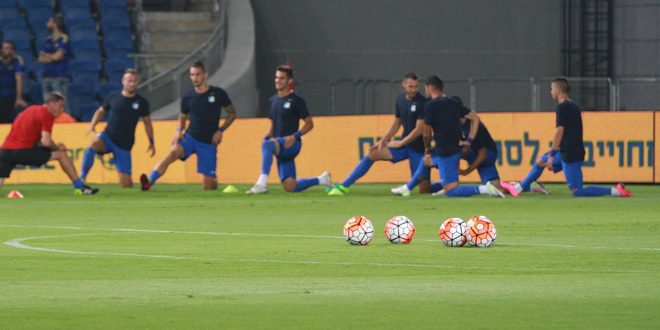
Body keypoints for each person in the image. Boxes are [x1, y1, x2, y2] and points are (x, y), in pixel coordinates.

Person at [500, 77, 632, 197]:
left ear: (558, 90)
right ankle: (519, 188)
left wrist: (552, 154)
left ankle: (617, 191)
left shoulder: (562, 107)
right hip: (568, 151)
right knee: (541, 161)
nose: (551, 92)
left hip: (570, 154)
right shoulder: (573, 105)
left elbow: (559, 131)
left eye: (552, 89)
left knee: (578, 191)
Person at [327, 73, 431, 196]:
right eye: (410, 86)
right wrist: (383, 140)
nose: (413, 89)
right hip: (403, 146)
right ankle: (344, 186)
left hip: (418, 149)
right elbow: (397, 123)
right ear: (403, 85)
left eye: (416, 87)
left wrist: (400, 143)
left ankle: (445, 186)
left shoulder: (422, 102)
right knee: (373, 152)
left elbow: (419, 129)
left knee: (425, 190)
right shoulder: (400, 99)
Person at [140, 61, 236, 190]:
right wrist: (178, 130)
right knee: (172, 152)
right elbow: (182, 116)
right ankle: (149, 181)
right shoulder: (188, 96)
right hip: (190, 137)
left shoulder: (218, 93)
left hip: (208, 142)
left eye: (197, 74)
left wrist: (220, 130)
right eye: (192, 75)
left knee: (208, 185)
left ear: (205, 75)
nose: (194, 78)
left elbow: (232, 114)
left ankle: (213, 179)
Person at [246, 65, 331, 194]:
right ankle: (322, 180)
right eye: (276, 77)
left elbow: (309, 123)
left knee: (267, 145)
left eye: (282, 78)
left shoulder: (296, 101)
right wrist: (268, 137)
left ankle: (262, 183)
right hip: (279, 144)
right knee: (290, 186)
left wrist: (295, 136)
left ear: (289, 81)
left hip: (291, 144)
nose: (278, 80)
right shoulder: (273, 100)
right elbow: (274, 123)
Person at [421, 75, 504, 198]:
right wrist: (469, 141)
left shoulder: (430, 106)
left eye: (426, 88)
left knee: (451, 191)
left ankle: (484, 189)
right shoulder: (454, 103)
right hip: (457, 150)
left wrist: (427, 148)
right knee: (442, 176)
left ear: (430, 87)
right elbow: (476, 118)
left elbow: (426, 133)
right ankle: (438, 185)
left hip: (445, 151)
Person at [0, 92, 98, 194]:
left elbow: (31, 136)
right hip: (22, 151)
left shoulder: (31, 109)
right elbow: (46, 141)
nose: (62, 110)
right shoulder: (46, 114)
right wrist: (57, 147)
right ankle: (80, 187)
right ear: (50, 103)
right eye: (60, 106)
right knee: (60, 154)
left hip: (5, 151)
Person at [79, 69, 154, 188]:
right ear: (123, 81)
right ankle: (82, 178)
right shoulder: (113, 96)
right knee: (94, 143)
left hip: (124, 145)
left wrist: (151, 141)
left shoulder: (142, 102)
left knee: (126, 185)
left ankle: (144, 186)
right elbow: (100, 111)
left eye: (134, 81)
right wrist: (92, 125)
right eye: (129, 81)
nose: (132, 84)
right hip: (108, 137)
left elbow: (147, 123)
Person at [38, 16, 70, 113]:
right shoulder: (48, 40)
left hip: (59, 76)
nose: (47, 24)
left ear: (55, 24)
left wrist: (47, 55)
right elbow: (40, 58)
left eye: (49, 21)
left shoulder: (64, 38)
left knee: (61, 104)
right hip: (47, 76)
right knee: (48, 104)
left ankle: (66, 124)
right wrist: (53, 56)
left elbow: (58, 57)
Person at [0, 41, 27, 123]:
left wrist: (19, 98)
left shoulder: (17, 60)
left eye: (8, 48)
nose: (5, 50)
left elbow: (19, 78)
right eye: (4, 48)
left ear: (13, 51)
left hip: (12, 96)